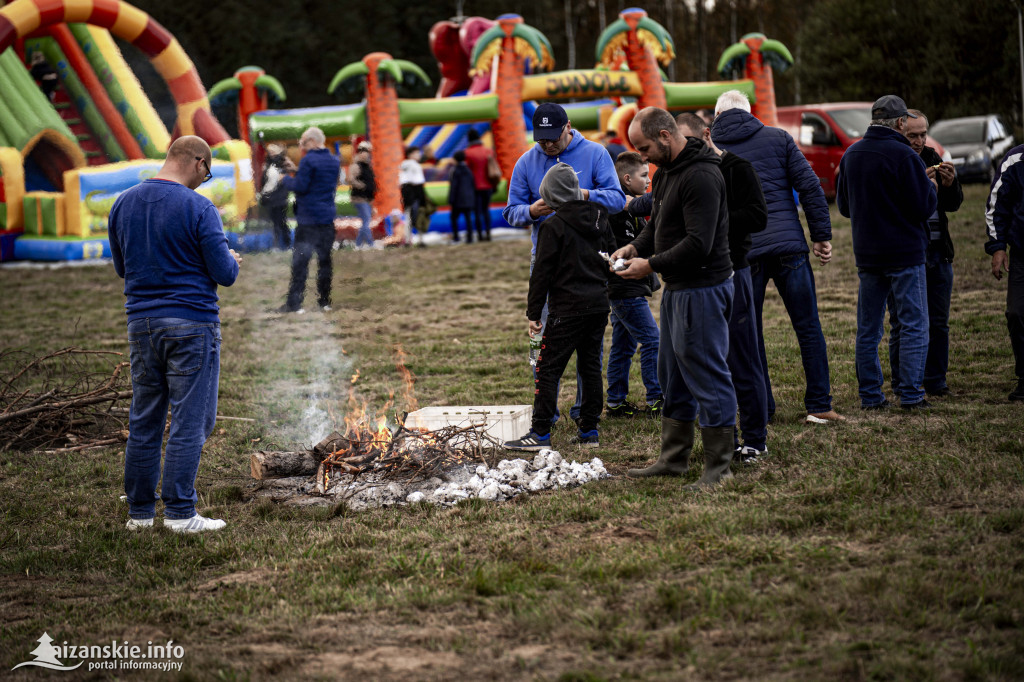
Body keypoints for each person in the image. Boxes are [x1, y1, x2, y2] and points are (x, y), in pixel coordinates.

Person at [108, 135, 241, 533]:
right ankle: (181, 514)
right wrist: (231, 258)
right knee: (191, 419)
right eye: (208, 172)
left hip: (141, 326)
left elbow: (122, 268)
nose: (205, 179)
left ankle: (141, 513)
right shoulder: (199, 207)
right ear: (199, 162)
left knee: (145, 418)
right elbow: (225, 274)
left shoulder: (122, 203)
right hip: (191, 325)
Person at [616, 107, 737, 489]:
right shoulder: (667, 171)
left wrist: (648, 265)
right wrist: (634, 248)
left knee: (706, 372)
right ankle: (674, 458)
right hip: (678, 289)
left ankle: (720, 467)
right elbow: (661, 224)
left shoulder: (701, 175)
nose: (643, 157)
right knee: (673, 375)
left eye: (645, 147)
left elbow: (699, 245)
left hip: (702, 288)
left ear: (666, 136)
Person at [711, 89, 844, 424]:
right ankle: (819, 404)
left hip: (744, 254)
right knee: (808, 327)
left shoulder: (712, 151)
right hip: (789, 247)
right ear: (748, 111)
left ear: (716, 117)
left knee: (748, 333)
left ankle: (763, 407)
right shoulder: (778, 138)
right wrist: (821, 236)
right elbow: (811, 187)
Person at [503, 102, 626, 425]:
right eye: (541, 139)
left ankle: (585, 412)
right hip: (547, 259)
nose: (547, 145)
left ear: (568, 126)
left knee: (589, 347)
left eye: (553, 137)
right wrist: (531, 211)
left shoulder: (596, 154)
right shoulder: (526, 162)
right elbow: (511, 210)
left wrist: (581, 195)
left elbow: (616, 199)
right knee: (543, 339)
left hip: (587, 259)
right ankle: (548, 412)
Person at [503, 163, 616, 451]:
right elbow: (612, 259)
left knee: (547, 368)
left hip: (566, 309)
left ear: (550, 196)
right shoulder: (601, 217)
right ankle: (589, 430)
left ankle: (540, 432)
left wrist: (533, 313)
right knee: (590, 367)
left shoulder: (552, 226)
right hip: (597, 306)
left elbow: (541, 273)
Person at [677, 112, 769, 463]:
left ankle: (756, 440)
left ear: (706, 133)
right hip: (700, 278)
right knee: (713, 361)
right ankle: (724, 439)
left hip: (736, 271)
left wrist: (715, 218)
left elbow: (758, 216)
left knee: (742, 358)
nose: (685, 147)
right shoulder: (684, 170)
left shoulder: (737, 168)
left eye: (690, 139)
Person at [837, 95, 938, 410]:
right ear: (900, 123)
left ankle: (870, 395)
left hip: (868, 255)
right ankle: (909, 394)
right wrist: (932, 188)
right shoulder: (905, 156)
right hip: (904, 254)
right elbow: (923, 207)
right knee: (912, 323)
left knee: (868, 328)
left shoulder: (851, 155)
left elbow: (843, 207)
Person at [889, 109, 962, 398]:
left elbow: (954, 205)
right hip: (908, 254)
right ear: (900, 131)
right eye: (912, 136)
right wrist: (921, 183)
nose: (919, 141)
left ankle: (936, 380)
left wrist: (949, 185)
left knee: (938, 322)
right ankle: (903, 381)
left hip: (937, 252)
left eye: (923, 135)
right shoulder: (896, 159)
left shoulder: (933, 157)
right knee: (904, 322)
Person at [604, 151, 663, 419]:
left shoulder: (632, 206)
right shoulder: (618, 211)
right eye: (643, 175)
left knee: (623, 345)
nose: (648, 181)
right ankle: (657, 398)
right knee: (653, 341)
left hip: (625, 290)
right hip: (624, 290)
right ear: (627, 179)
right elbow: (626, 253)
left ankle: (616, 401)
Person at [280, 127, 341, 313]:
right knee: (325, 262)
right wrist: (297, 170)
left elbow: (301, 186)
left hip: (308, 220)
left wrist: (284, 179)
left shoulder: (308, 160)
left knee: (300, 262)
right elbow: (318, 180)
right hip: (327, 217)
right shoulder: (334, 160)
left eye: (303, 143)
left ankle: (295, 303)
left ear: (313, 141)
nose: (302, 147)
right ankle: (325, 302)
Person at [985, 141, 1024, 401]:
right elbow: (996, 206)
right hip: (1022, 253)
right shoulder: (1015, 160)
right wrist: (998, 247)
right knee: (1016, 312)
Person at [463, 129, 496, 241]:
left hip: (474, 187)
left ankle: (480, 235)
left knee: (477, 211)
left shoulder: (467, 153)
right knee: (486, 210)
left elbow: (467, 171)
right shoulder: (488, 151)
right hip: (488, 185)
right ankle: (488, 233)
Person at [260, 143, 292, 250]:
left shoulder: (282, 164)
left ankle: (285, 243)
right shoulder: (267, 165)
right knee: (275, 222)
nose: (271, 154)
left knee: (281, 222)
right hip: (270, 198)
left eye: (273, 152)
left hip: (280, 198)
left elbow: (285, 180)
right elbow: (264, 182)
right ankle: (277, 244)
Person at [350, 140, 376, 249]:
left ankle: (358, 244)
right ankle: (370, 243)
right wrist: (362, 186)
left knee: (366, 220)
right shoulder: (356, 165)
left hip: (367, 198)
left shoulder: (367, 166)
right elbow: (350, 179)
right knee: (366, 220)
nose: (367, 154)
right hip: (359, 198)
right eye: (364, 151)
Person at [399, 145, 427, 246]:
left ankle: (410, 240)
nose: (418, 155)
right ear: (410, 155)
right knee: (415, 216)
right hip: (413, 192)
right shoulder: (411, 164)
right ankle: (417, 240)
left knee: (410, 217)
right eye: (416, 153)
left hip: (411, 193)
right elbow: (416, 181)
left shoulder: (410, 165)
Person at [447, 150, 475, 243]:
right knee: (468, 218)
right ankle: (470, 237)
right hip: (468, 198)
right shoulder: (468, 170)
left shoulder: (455, 170)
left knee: (454, 218)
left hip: (458, 199)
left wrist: (451, 199)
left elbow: (454, 186)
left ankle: (456, 236)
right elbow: (472, 183)